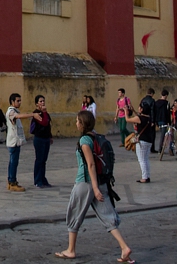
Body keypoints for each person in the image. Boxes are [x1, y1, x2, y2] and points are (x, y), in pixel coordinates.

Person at [55, 110, 135, 262]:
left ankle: (71, 250)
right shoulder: (96, 136)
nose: (76, 123)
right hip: (100, 182)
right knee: (107, 217)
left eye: (78, 121)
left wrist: (95, 188)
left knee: (74, 214)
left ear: (83, 123)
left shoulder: (85, 140)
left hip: (86, 182)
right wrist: (98, 187)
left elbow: (90, 164)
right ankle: (124, 248)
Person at [5, 93, 35, 192]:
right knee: (13, 162)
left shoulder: (14, 111)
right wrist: (32, 114)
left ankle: (11, 181)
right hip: (13, 141)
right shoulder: (11, 112)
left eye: (20, 100)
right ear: (12, 102)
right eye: (18, 101)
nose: (19, 102)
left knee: (12, 162)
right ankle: (12, 182)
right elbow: (18, 116)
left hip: (15, 141)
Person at [30, 94, 53, 188]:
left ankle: (43, 179)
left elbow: (48, 125)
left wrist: (50, 136)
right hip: (39, 138)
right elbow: (43, 123)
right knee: (39, 160)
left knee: (44, 160)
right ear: (36, 104)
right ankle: (37, 180)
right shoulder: (36, 113)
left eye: (43, 101)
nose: (42, 103)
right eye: (40, 101)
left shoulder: (46, 114)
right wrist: (43, 112)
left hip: (46, 138)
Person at [128, 100, 154, 183]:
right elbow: (139, 116)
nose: (139, 108)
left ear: (142, 109)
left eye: (140, 107)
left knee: (141, 160)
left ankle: (144, 177)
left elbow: (127, 119)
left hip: (142, 141)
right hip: (149, 140)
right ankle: (147, 176)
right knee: (146, 159)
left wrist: (125, 111)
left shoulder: (140, 118)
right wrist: (133, 110)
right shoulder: (148, 118)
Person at [152, 89, 170, 155]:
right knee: (163, 135)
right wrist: (169, 122)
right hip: (164, 120)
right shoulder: (167, 103)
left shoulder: (156, 103)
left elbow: (154, 112)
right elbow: (168, 113)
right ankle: (160, 149)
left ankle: (161, 148)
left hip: (158, 120)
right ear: (166, 95)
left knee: (162, 134)